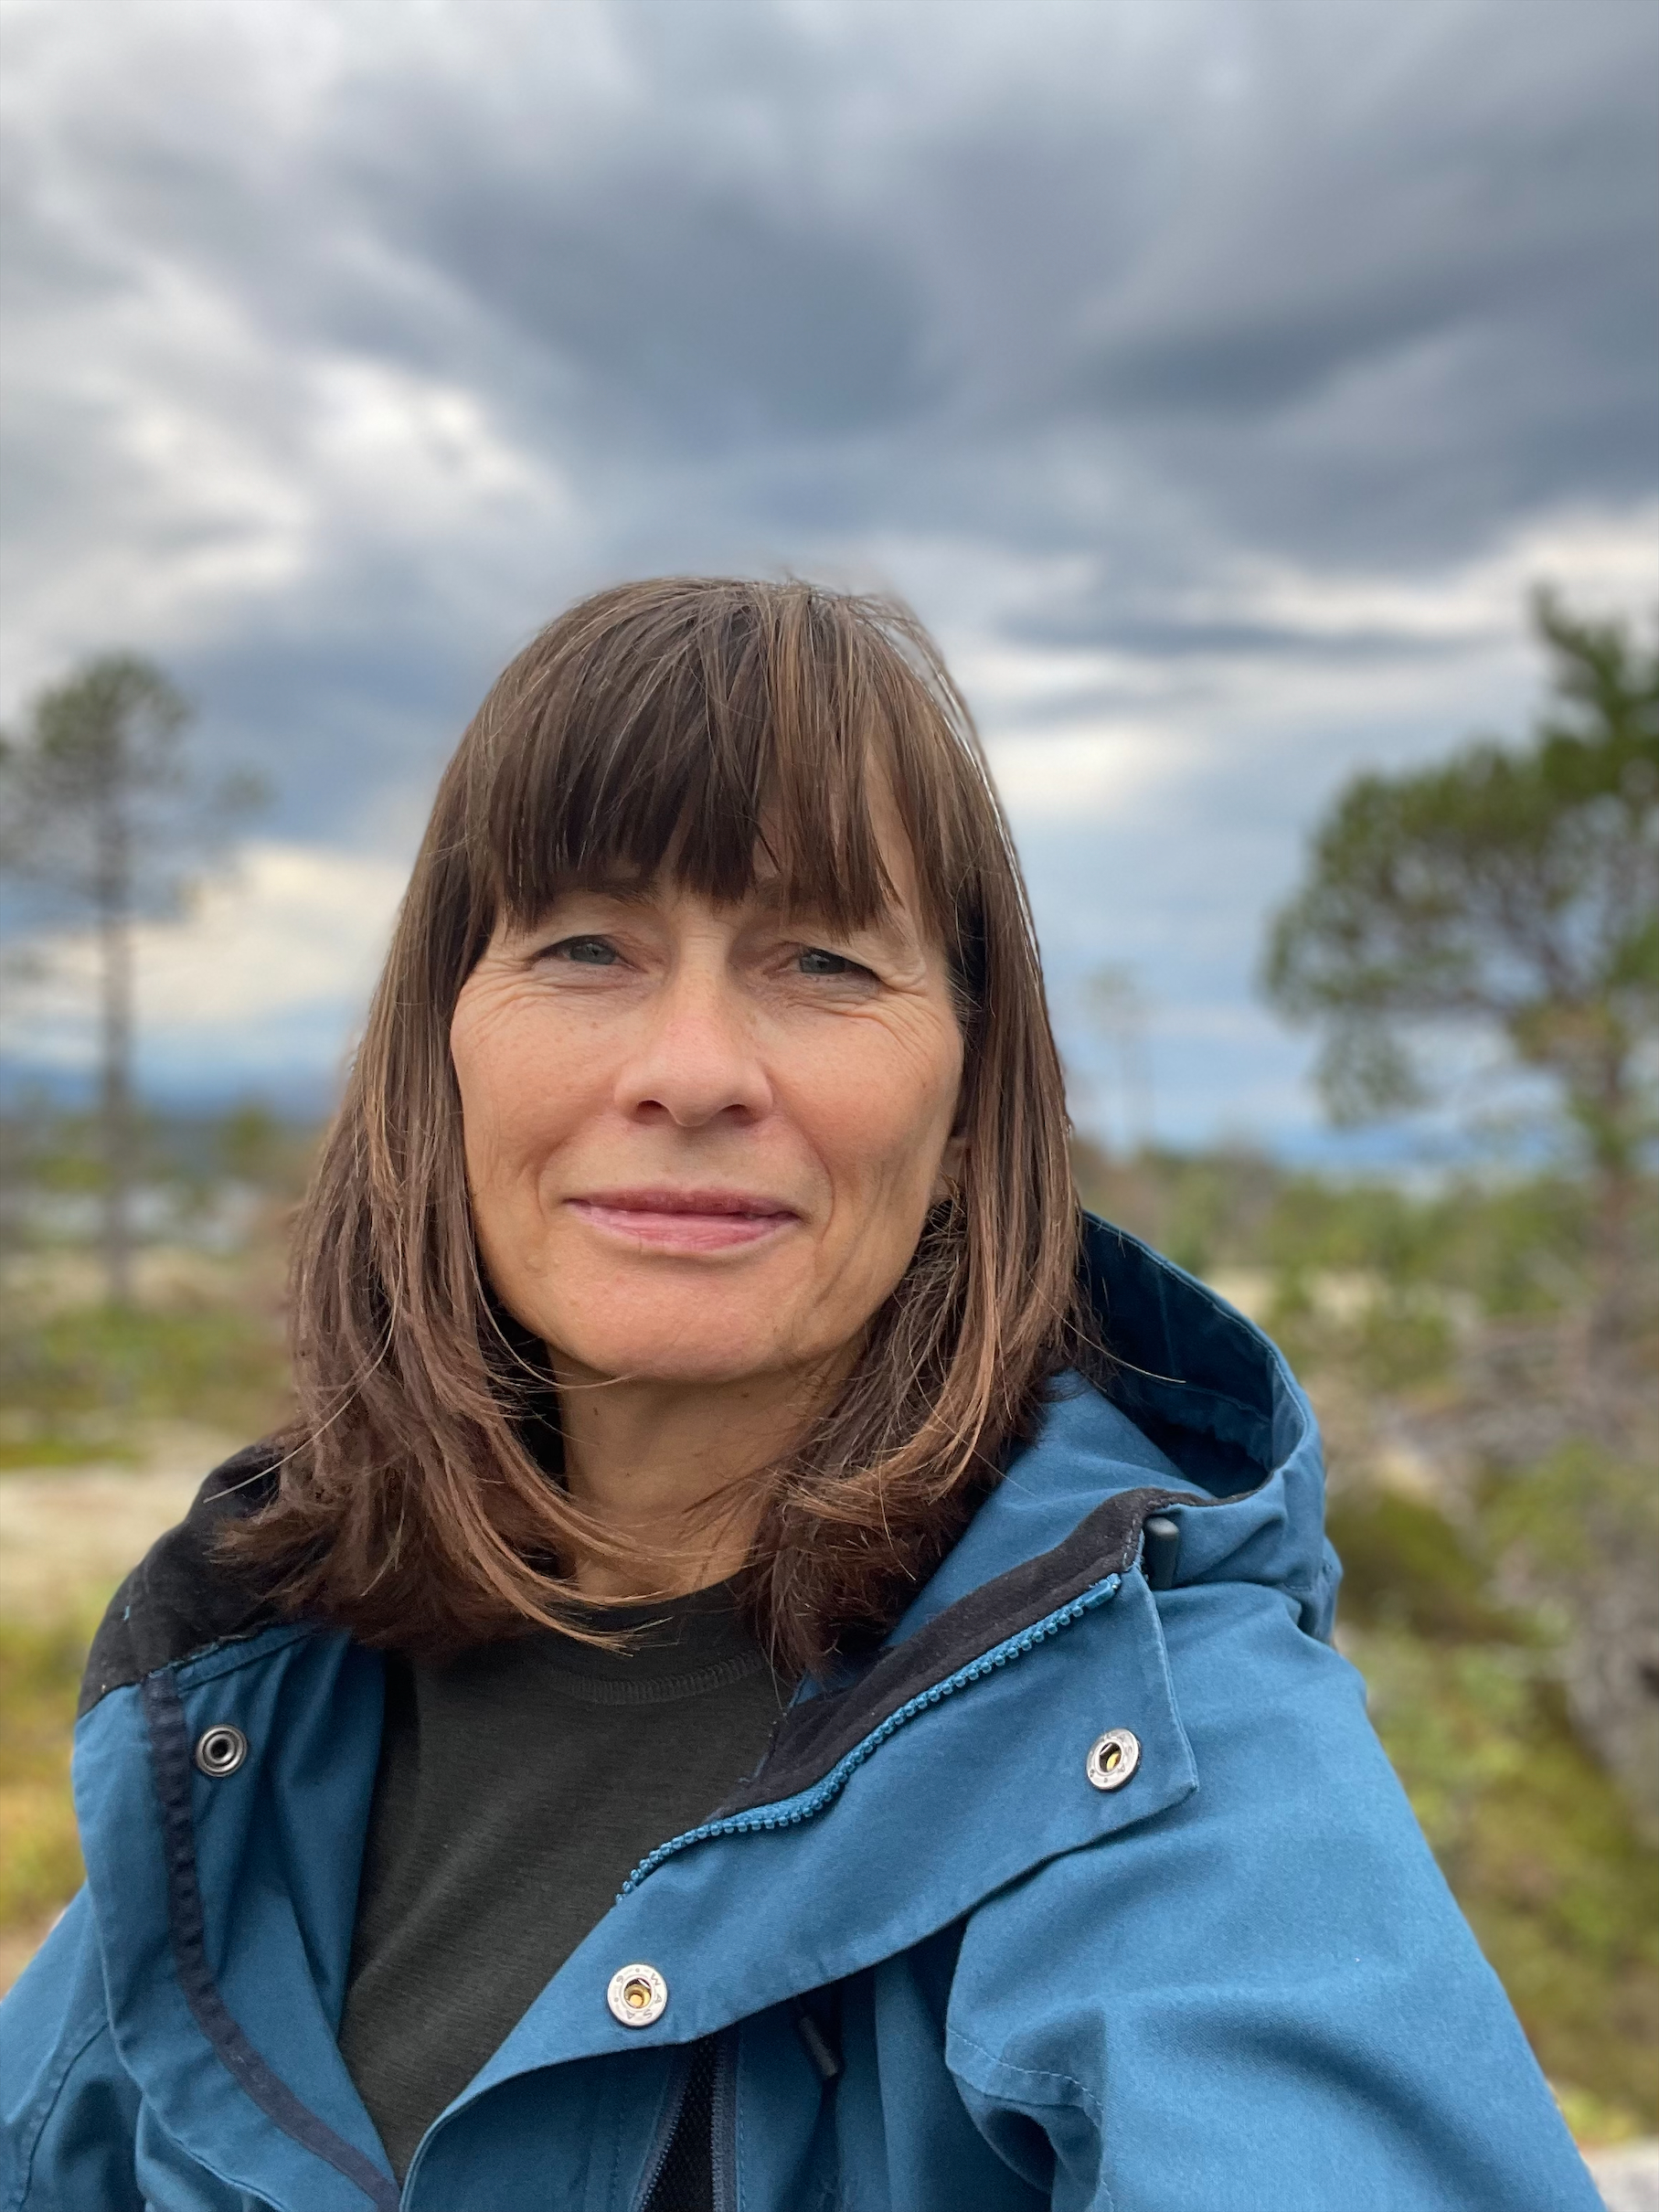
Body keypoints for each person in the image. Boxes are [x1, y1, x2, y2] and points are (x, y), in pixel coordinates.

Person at [0, 579, 1601, 2212]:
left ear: (973, 1102)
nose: (692, 1068)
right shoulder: (259, 1702)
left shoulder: (1164, 1744)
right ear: (445, 1054)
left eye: (825, 960)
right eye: (586, 946)